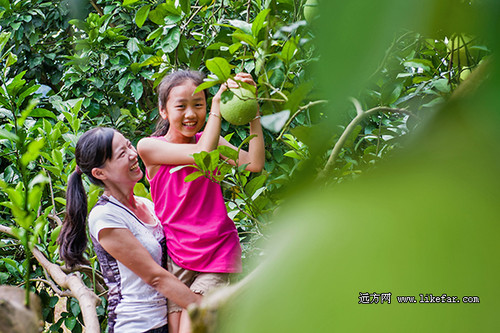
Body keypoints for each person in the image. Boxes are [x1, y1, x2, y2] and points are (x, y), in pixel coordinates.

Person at [137, 70, 265, 333]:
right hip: (177, 255)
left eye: (199, 105)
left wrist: (252, 112)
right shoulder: (149, 147)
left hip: (217, 250)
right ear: (163, 111)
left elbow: (254, 163)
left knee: (191, 328)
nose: (191, 114)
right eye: (181, 106)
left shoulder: (211, 141)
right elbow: (200, 153)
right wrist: (218, 107)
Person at [58, 127, 201, 333]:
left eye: (129, 145)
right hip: (138, 326)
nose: (134, 154)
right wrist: (204, 307)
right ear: (100, 173)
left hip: (168, 319)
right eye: (122, 154)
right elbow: (155, 277)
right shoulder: (105, 217)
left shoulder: (147, 205)